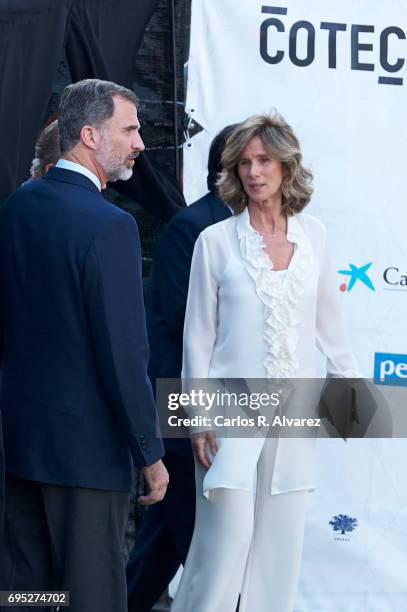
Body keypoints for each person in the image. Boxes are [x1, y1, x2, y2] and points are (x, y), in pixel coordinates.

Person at [171, 113, 362, 612]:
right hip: (228, 416)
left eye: (265, 161)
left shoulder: (314, 235)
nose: (254, 172)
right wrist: (198, 420)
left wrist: (348, 393)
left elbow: (330, 325)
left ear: (286, 167)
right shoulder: (213, 242)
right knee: (222, 544)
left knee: (281, 547)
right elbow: (197, 338)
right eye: (245, 163)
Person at [0, 79, 168, 612]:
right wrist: (151, 452)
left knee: (28, 596)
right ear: (90, 135)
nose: (140, 142)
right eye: (130, 129)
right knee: (89, 598)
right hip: (87, 460)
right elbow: (123, 356)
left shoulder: (17, 207)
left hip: (20, 447)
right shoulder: (110, 227)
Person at [126, 125, 236, 612]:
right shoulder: (193, 228)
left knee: (164, 543)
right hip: (183, 406)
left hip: (217, 408)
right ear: (227, 169)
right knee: (205, 541)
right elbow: (182, 319)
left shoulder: (242, 228)